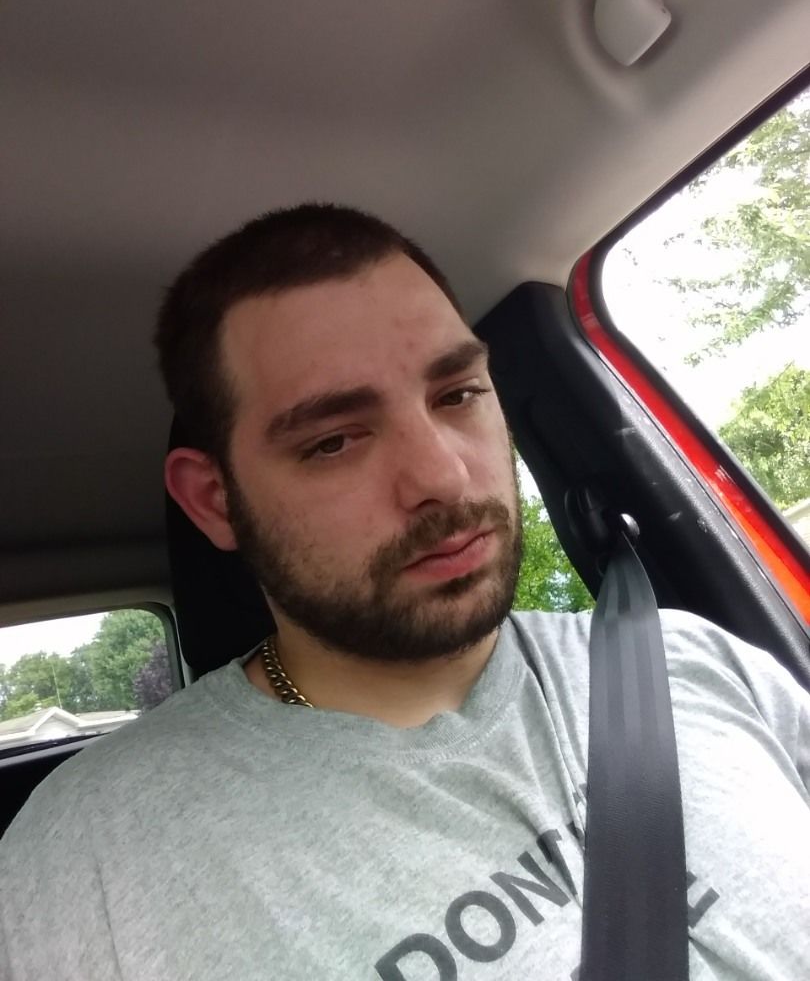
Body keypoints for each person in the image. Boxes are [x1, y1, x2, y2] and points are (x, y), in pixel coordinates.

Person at [1, 203, 808, 980]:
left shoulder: (690, 657)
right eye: (333, 441)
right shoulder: (82, 859)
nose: (444, 477)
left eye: (458, 395)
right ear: (215, 502)